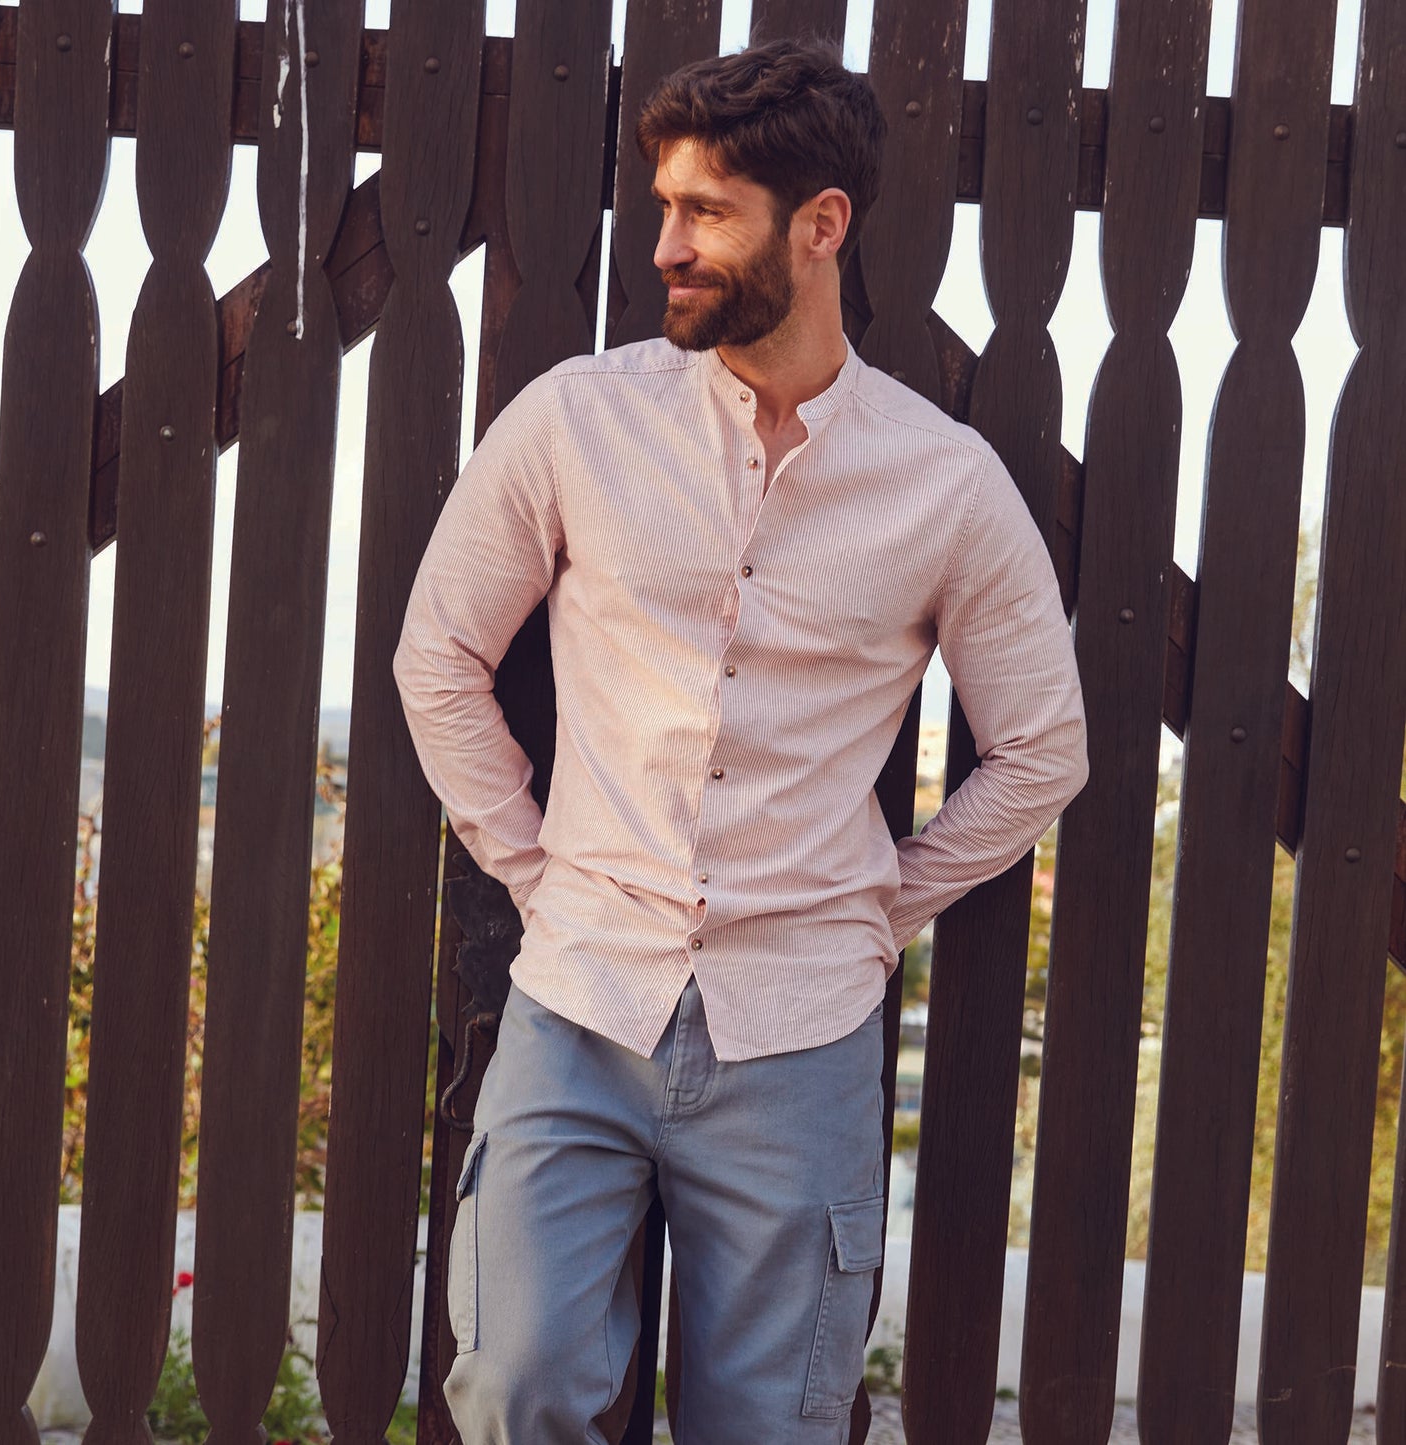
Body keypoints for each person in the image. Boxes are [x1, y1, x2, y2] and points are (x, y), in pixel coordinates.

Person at [394, 37, 1088, 1445]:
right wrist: (536, 871)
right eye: (664, 206)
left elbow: (1041, 746)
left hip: (801, 1034)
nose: (666, 246)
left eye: (705, 212)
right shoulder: (577, 422)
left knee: (768, 1422)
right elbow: (439, 656)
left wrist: (874, 909)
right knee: (516, 1380)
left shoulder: (943, 483)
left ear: (819, 225)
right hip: (579, 998)